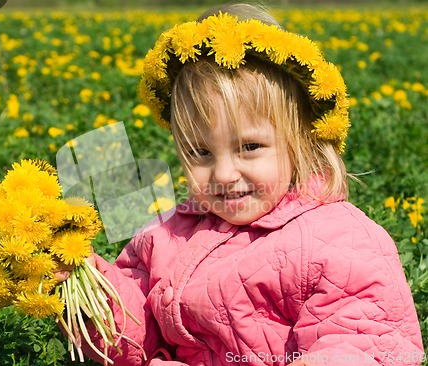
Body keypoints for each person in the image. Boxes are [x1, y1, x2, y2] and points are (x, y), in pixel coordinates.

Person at [57, 2, 424, 365]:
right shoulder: (164, 236)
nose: (223, 174)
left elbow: (366, 341)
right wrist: (81, 285)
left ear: (302, 141)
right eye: (200, 152)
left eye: (250, 147)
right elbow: (135, 334)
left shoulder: (341, 240)